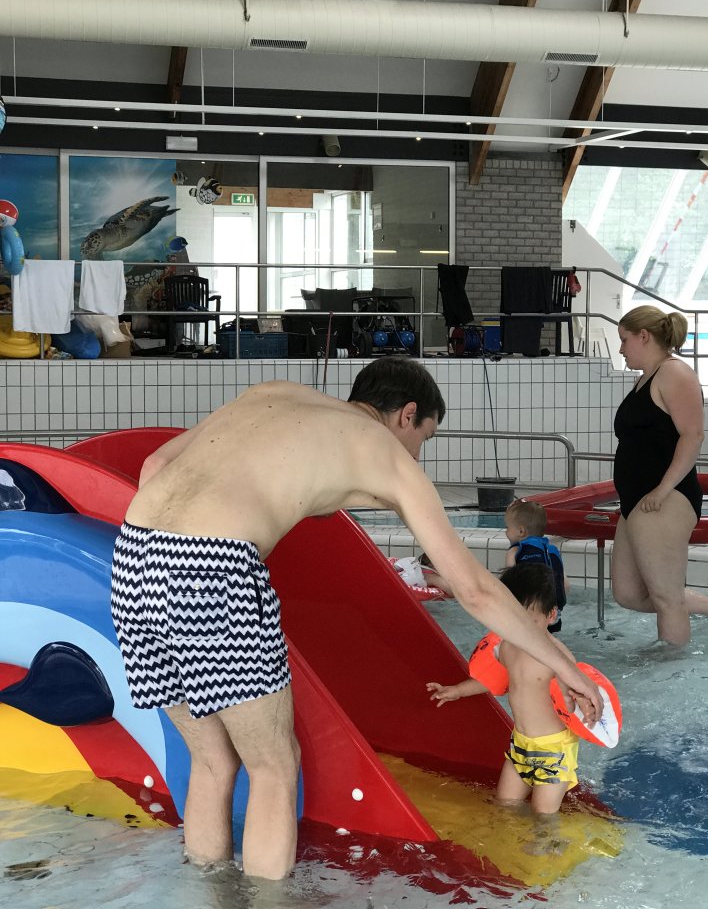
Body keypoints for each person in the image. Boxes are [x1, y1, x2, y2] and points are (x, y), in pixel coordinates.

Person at [110, 355, 602, 880]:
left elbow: (155, 469)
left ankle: (203, 888)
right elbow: (476, 590)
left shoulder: (272, 390)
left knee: (212, 760)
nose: (417, 455)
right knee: (273, 768)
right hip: (213, 569)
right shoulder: (382, 450)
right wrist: (570, 671)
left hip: (134, 558)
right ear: (406, 415)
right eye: (424, 439)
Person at [613, 305, 708, 645]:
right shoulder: (646, 377)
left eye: (625, 340)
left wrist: (663, 489)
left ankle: (670, 670)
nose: (621, 349)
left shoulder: (676, 374)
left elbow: (693, 435)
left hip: (665, 497)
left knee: (666, 598)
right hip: (637, 498)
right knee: (628, 593)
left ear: (645, 336)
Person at [427, 561, 580, 814]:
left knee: (544, 818)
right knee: (504, 807)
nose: (519, 630)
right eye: (512, 620)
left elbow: (577, 692)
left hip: (554, 751)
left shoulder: (557, 657)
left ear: (551, 615)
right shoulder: (506, 646)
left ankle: (549, 850)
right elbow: (494, 680)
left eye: (528, 621)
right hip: (520, 745)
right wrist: (456, 691)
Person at [504, 499, 568, 632]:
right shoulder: (553, 551)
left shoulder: (516, 550)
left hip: (531, 612)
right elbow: (565, 584)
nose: (506, 532)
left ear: (521, 531)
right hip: (554, 613)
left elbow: (509, 583)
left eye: (508, 528)